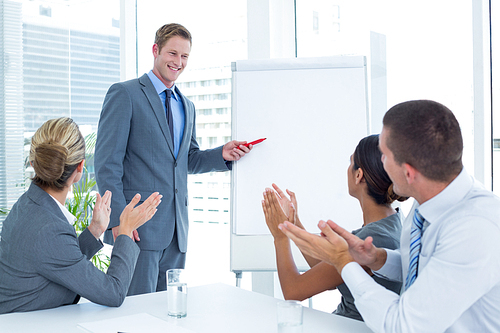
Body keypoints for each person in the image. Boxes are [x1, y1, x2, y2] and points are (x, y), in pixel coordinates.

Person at [279, 100, 500, 332]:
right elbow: (422, 267)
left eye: (384, 155)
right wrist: (378, 259)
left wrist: (345, 261)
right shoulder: (427, 204)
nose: (381, 164)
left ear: (408, 172)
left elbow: (404, 326)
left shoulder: (475, 229)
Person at [94, 23, 252, 296]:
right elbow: (107, 163)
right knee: (135, 310)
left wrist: (221, 154)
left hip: (177, 231)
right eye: (172, 53)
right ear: (155, 50)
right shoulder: (126, 94)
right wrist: (121, 222)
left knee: (166, 311)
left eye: (185, 56)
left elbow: (186, 160)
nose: (178, 62)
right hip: (137, 228)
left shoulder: (186, 106)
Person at [0, 118, 162, 314]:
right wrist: (126, 231)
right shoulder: (49, 228)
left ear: (35, 164)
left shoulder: (27, 205)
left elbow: (60, 261)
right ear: (80, 167)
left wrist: (94, 231)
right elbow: (113, 292)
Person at [262, 135, 407, 321]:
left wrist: (280, 237)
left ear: (358, 175)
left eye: (351, 162)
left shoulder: (373, 237)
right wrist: (293, 223)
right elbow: (328, 269)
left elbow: (293, 291)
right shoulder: (391, 221)